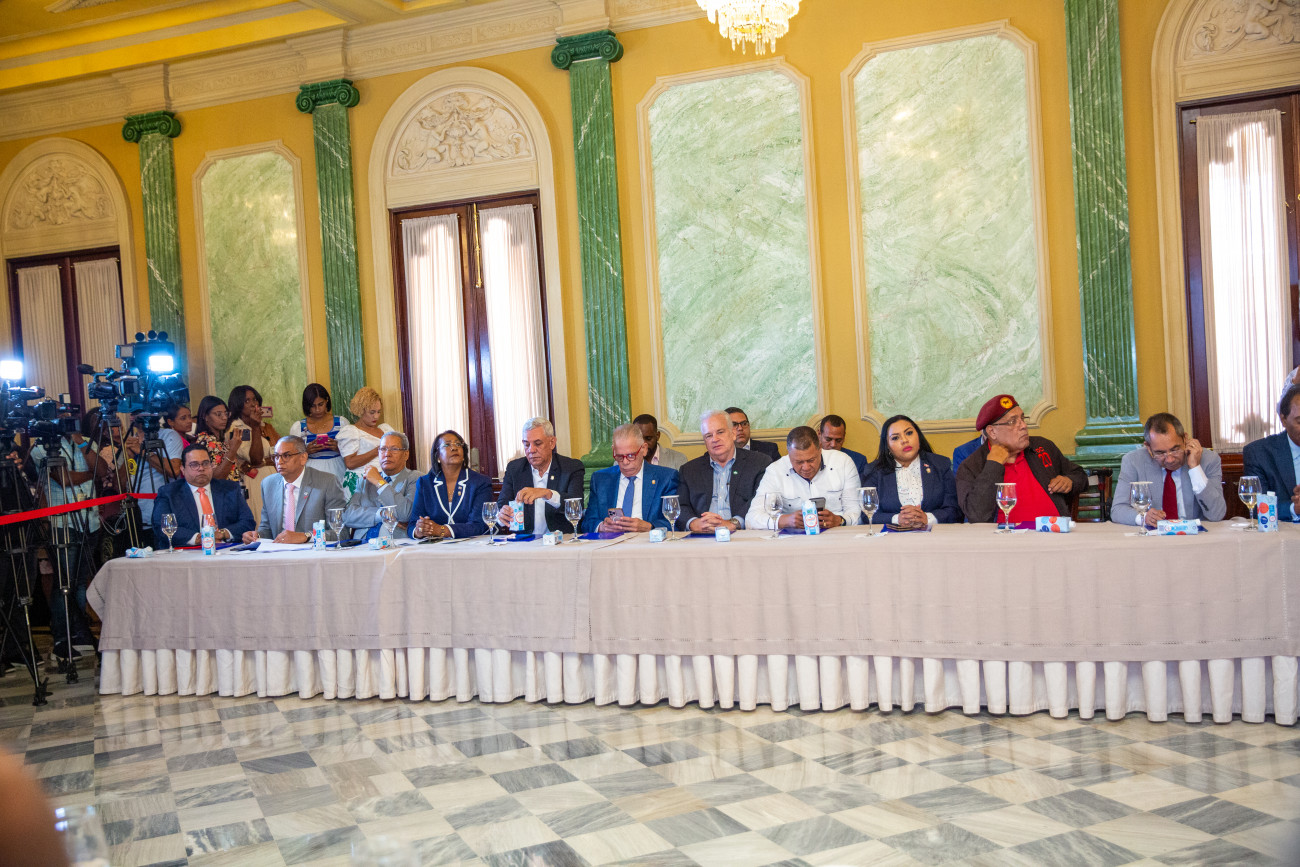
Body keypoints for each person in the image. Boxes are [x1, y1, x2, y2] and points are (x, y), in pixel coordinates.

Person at [29, 415, 103, 660]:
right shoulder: (41, 448)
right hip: (63, 523)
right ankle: (62, 638)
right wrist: (90, 474)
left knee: (80, 583)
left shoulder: (86, 443)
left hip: (89, 521)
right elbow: (62, 478)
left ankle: (79, 633)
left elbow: (102, 470)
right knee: (64, 584)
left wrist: (80, 441)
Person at [955, 394, 1088, 522]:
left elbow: (1080, 475)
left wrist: (1069, 481)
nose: (1024, 426)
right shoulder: (971, 466)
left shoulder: (1042, 447)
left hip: (1054, 531)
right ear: (992, 432)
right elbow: (977, 516)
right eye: (1013, 422)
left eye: (1022, 419)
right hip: (1004, 536)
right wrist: (993, 465)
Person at [1111, 413, 1226, 528]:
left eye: (1175, 450)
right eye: (1160, 453)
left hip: (1195, 535)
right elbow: (1117, 510)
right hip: (1153, 534)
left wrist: (1195, 468)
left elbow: (1217, 514)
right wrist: (1144, 517)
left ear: (1185, 439)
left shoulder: (1208, 460)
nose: (1170, 460)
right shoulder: (1133, 461)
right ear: (1148, 447)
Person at [745, 425, 860, 531]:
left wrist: (840, 520)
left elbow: (857, 514)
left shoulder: (843, 462)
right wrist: (784, 520)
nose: (806, 467)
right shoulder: (775, 471)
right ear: (789, 455)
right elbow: (751, 519)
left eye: (811, 460)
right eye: (799, 462)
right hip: (793, 540)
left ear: (820, 449)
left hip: (837, 535)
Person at [677, 409, 771, 533]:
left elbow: (762, 500)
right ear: (704, 441)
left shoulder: (759, 463)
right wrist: (693, 523)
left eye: (720, 432)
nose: (714, 439)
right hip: (702, 535)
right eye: (708, 435)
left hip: (743, 534)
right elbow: (680, 505)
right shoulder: (689, 470)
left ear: (733, 433)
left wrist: (734, 523)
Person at [862, 414, 961, 527]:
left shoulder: (940, 465)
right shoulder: (874, 471)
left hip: (935, 534)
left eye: (909, 433)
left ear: (918, 436)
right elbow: (867, 514)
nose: (904, 440)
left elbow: (954, 510)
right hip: (891, 536)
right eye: (895, 438)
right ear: (887, 446)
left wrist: (927, 518)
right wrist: (897, 519)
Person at [578, 423, 679, 533]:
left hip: (647, 541)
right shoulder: (600, 479)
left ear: (644, 449)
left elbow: (676, 522)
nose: (625, 462)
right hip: (611, 542)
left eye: (631, 456)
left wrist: (649, 527)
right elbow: (587, 522)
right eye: (619, 456)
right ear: (613, 451)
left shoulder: (666, 478)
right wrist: (602, 527)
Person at [244, 436, 346, 543]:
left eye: (286, 456)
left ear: (303, 458)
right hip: (279, 550)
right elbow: (267, 529)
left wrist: (306, 536)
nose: (279, 461)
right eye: (276, 456)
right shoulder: (268, 484)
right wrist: (256, 535)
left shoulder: (327, 482)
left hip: (312, 550)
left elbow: (341, 533)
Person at [153, 443, 256, 546]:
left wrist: (222, 534)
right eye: (194, 464)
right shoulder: (169, 493)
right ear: (183, 469)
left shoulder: (230, 489)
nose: (201, 468)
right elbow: (161, 527)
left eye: (205, 463)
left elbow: (248, 522)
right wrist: (199, 538)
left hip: (227, 550)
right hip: (188, 552)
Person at [496, 418, 586, 534]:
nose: (531, 450)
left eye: (538, 444)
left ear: (552, 442)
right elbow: (502, 504)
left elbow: (577, 506)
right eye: (526, 444)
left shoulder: (571, 467)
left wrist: (547, 494)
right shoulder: (514, 469)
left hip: (562, 540)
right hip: (525, 541)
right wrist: (502, 514)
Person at [409, 431, 492, 539]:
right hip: (435, 546)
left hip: (471, 545)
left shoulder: (480, 482)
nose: (454, 448)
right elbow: (412, 524)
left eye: (458, 444)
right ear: (437, 455)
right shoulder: (425, 483)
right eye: (447, 445)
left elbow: (479, 525)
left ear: (464, 454)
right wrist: (420, 530)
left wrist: (442, 530)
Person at [342, 431, 419, 540]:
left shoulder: (415, 478)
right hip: (362, 544)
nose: (387, 454)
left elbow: (405, 514)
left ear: (406, 454)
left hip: (397, 544)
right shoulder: (365, 481)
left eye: (394, 449)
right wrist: (381, 514)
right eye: (383, 449)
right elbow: (347, 516)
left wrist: (380, 482)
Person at [1243, 383, 1300, 523]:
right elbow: (1257, 507)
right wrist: (1294, 508)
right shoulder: (1259, 453)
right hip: (1285, 533)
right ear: (1283, 420)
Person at [226, 385, 278, 522]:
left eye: (254, 399)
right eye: (247, 401)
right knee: (262, 521)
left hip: (271, 477)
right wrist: (255, 427)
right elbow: (255, 459)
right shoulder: (236, 429)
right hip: (255, 480)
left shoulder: (264, 426)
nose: (253, 404)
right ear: (238, 404)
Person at [338, 386, 395, 499]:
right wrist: (377, 451)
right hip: (361, 483)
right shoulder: (352, 431)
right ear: (361, 410)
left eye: (378, 412)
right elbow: (350, 463)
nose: (376, 416)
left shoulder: (385, 429)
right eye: (372, 412)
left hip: (384, 480)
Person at [290, 383, 347, 485]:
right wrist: (306, 452)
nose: (317, 410)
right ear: (307, 406)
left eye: (321, 404)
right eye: (313, 406)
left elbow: (353, 453)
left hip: (339, 471)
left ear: (327, 401)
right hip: (311, 474)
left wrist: (339, 448)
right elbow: (291, 457)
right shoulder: (298, 427)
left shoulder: (341, 423)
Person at [191, 395, 242, 484]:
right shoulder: (206, 441)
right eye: (218, 414)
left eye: (226, 413)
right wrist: (233, 450)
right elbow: (216, 477)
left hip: (231, 488)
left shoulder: (218, 439)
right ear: (205, 416)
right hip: (220, 490)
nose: (224, 418)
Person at [818, 414, 869, 481]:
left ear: (844, 436)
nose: (833, 445)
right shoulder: (809, 460)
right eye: (828, 439)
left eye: (838, 440)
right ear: (819, 434)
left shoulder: (859, 460)